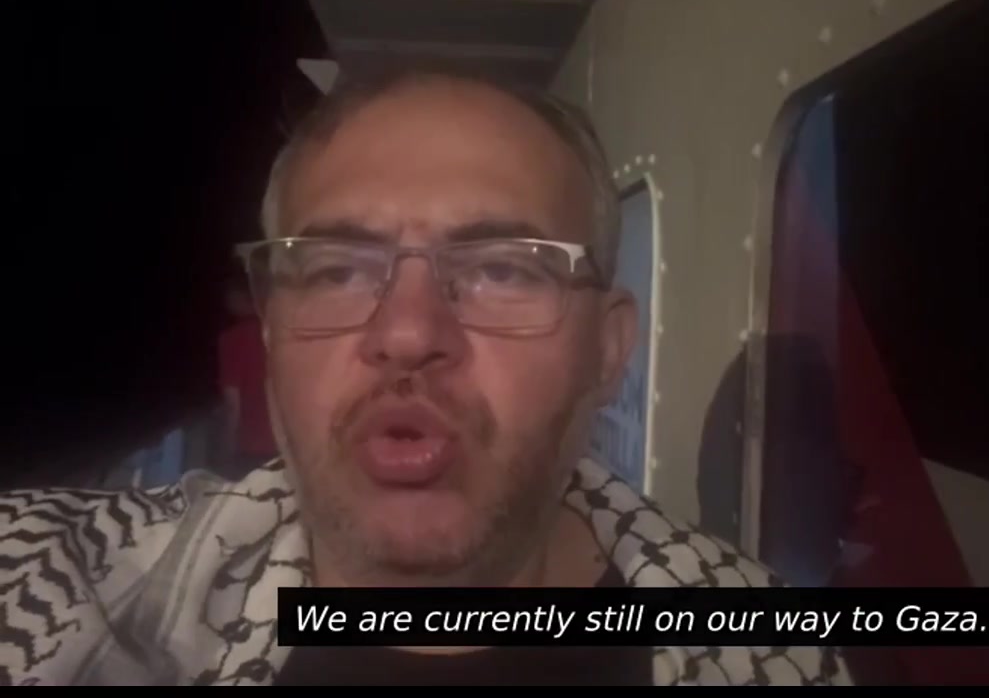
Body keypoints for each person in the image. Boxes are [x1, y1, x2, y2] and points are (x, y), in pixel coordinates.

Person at [0, 67, 853, 686]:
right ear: (271, 333)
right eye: (336, 269)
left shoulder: (775, 655)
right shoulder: (46, 583)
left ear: (608, 347)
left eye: (503, 268)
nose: (406, 334)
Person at [216, 278, 278, 479]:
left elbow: (233, 404)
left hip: (250, 449)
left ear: (239, 297)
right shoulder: (280, 334)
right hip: (285, 446)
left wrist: (227, 450)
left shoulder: (232, 339)